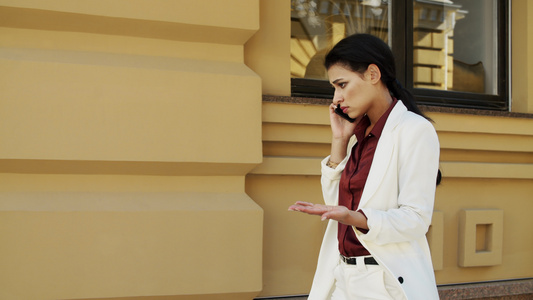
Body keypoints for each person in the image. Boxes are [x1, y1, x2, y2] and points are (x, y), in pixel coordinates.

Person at [288, 34, 441, 300]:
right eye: (334, 88)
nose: (336, 98)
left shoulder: (415, 130)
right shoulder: (356, 135)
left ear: (373, 74)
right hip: (341, 277)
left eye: (342, 84)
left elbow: (416, 219)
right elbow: (335, 202)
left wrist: (354, 218)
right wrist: (340, 140)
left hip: (384, 281)